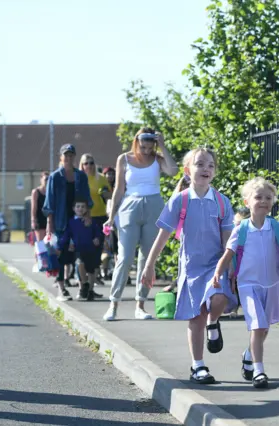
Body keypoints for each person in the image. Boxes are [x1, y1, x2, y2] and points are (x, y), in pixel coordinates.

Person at [141, 147, 237, 385]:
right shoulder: (180, 200)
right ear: (187, 171)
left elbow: (228, 241)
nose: (206, 169)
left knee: (219, 298)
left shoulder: (222, 203)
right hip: (191, 266)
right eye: (200, 164)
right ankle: (198, 365)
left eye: (211, 165)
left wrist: (232, 268)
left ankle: (213, 323)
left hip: (216, 265)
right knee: (196, 317)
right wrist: (149, 265)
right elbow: (163, 235)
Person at [213, 177, 279, 388]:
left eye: (268, 197)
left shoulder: (276, 226)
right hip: (248, 285)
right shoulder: (241, 229)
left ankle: (249, 355)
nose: (263, 201)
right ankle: (259, 371)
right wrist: (218, 273)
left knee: (263, 329)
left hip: (272, 284)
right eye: (258, 197)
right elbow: (228, 254)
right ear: (247, 202)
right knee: (257, 326)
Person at [102, 127, 179, 321]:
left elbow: (173, 170)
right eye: (142, 146)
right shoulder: (124, 159)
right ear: (137, 141)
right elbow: (119, 189)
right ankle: (114, 303)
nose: (145, 150)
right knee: (125, 257)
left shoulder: (157, 159)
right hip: (130, 206)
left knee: (147, 258)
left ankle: (141, 304)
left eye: (149, 146)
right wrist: (111, 217)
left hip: (153, 205)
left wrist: (162, 146)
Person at [43, 144, 93, 301]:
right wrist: (49, 225)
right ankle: (62, 289)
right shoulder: (55, 177)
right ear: (61, 157)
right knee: (61, 256)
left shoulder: (81, 176)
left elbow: (87, 198)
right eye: (66, 155)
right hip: (60, 222)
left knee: (79, 254)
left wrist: (88, 216)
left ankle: (82, 286)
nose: (69, 158)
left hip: (77, 221)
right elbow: (49, 203)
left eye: (71, 155)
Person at [57, 198, 104, 301]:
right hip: (78, 249)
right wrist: (61, 246)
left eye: (83, 207)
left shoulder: (91, 221)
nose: (80, 209)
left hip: (91, 249)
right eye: (78, 206)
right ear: (74, 208)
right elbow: (67, 235)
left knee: (92, 270)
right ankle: (85, 283)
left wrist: (97, 238)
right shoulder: (71, 222)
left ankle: (90, 290)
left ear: (87, 209)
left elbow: (98, 232)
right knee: (79, 263)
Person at [79, 153, 111, 287]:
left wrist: (104, 193)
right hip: (84, 218)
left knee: (97, 250)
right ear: (82, 165)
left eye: (91, 163)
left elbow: (111, 195)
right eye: (86, 163)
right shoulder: (79, 178)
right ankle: (83, 282)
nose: (89, 166)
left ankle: (91, 285)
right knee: (84, 252)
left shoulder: (101, 178)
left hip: (99, 217)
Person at [30, 171, 49, 270]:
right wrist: (33, 220)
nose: (47, 181)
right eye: (45, 179)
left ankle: (47, 262)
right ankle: (39, 263)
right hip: (39, 219)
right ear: (41, 180)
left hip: (48, 219)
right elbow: (34, 208)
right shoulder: (36, 192)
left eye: (48, 179)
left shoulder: (51, 191)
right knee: (40, 242)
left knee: (48, 242)